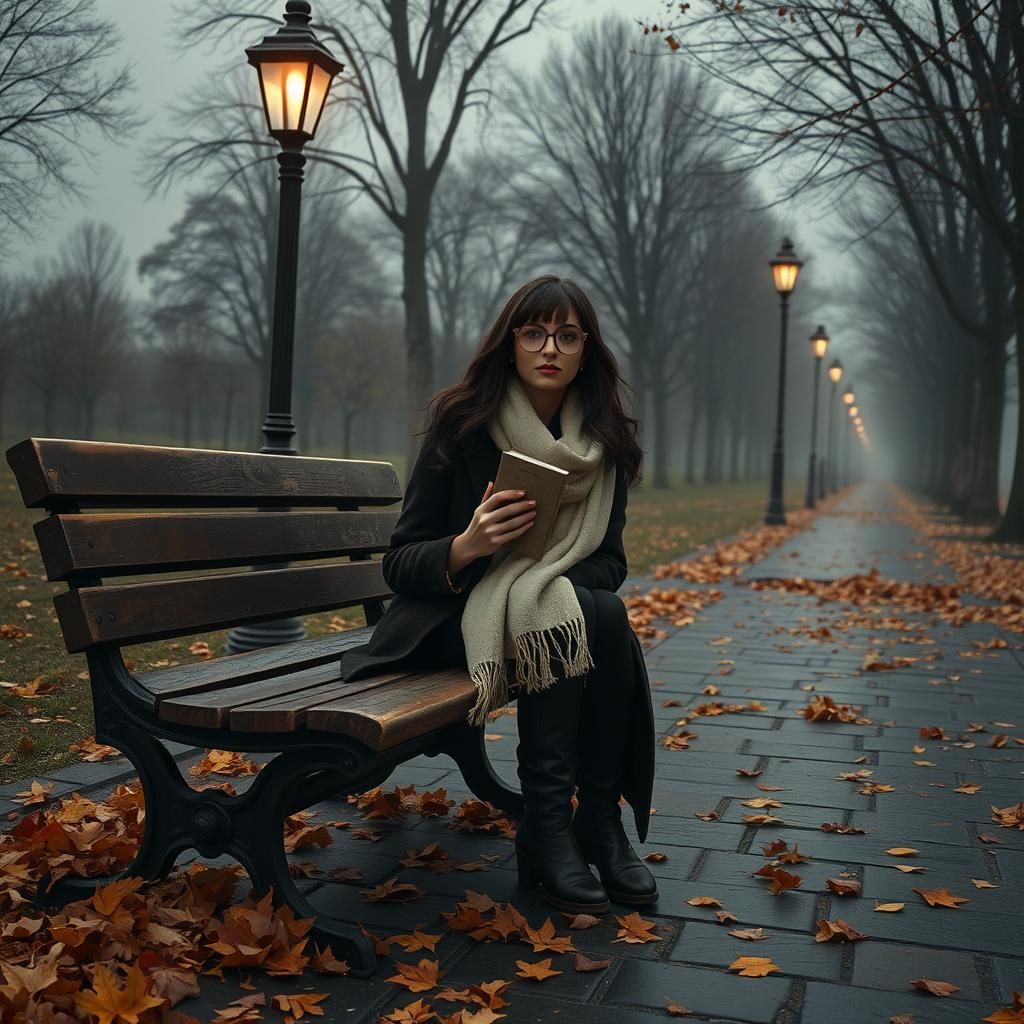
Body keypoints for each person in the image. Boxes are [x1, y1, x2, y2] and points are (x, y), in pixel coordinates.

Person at [340, 275, 657, 914]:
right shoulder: (462, 426)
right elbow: (400, 563)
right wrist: (469, 545)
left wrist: (543, 581)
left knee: (586, 606)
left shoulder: (603, 445)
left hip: (540, 613)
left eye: (568, 335)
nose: (550, 347)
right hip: (449, 619)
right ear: (510, 343)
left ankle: (587, 819)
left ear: (586, 351)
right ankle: (564, 823)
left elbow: (610, 563)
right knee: (592, 615)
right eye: (534, 331)